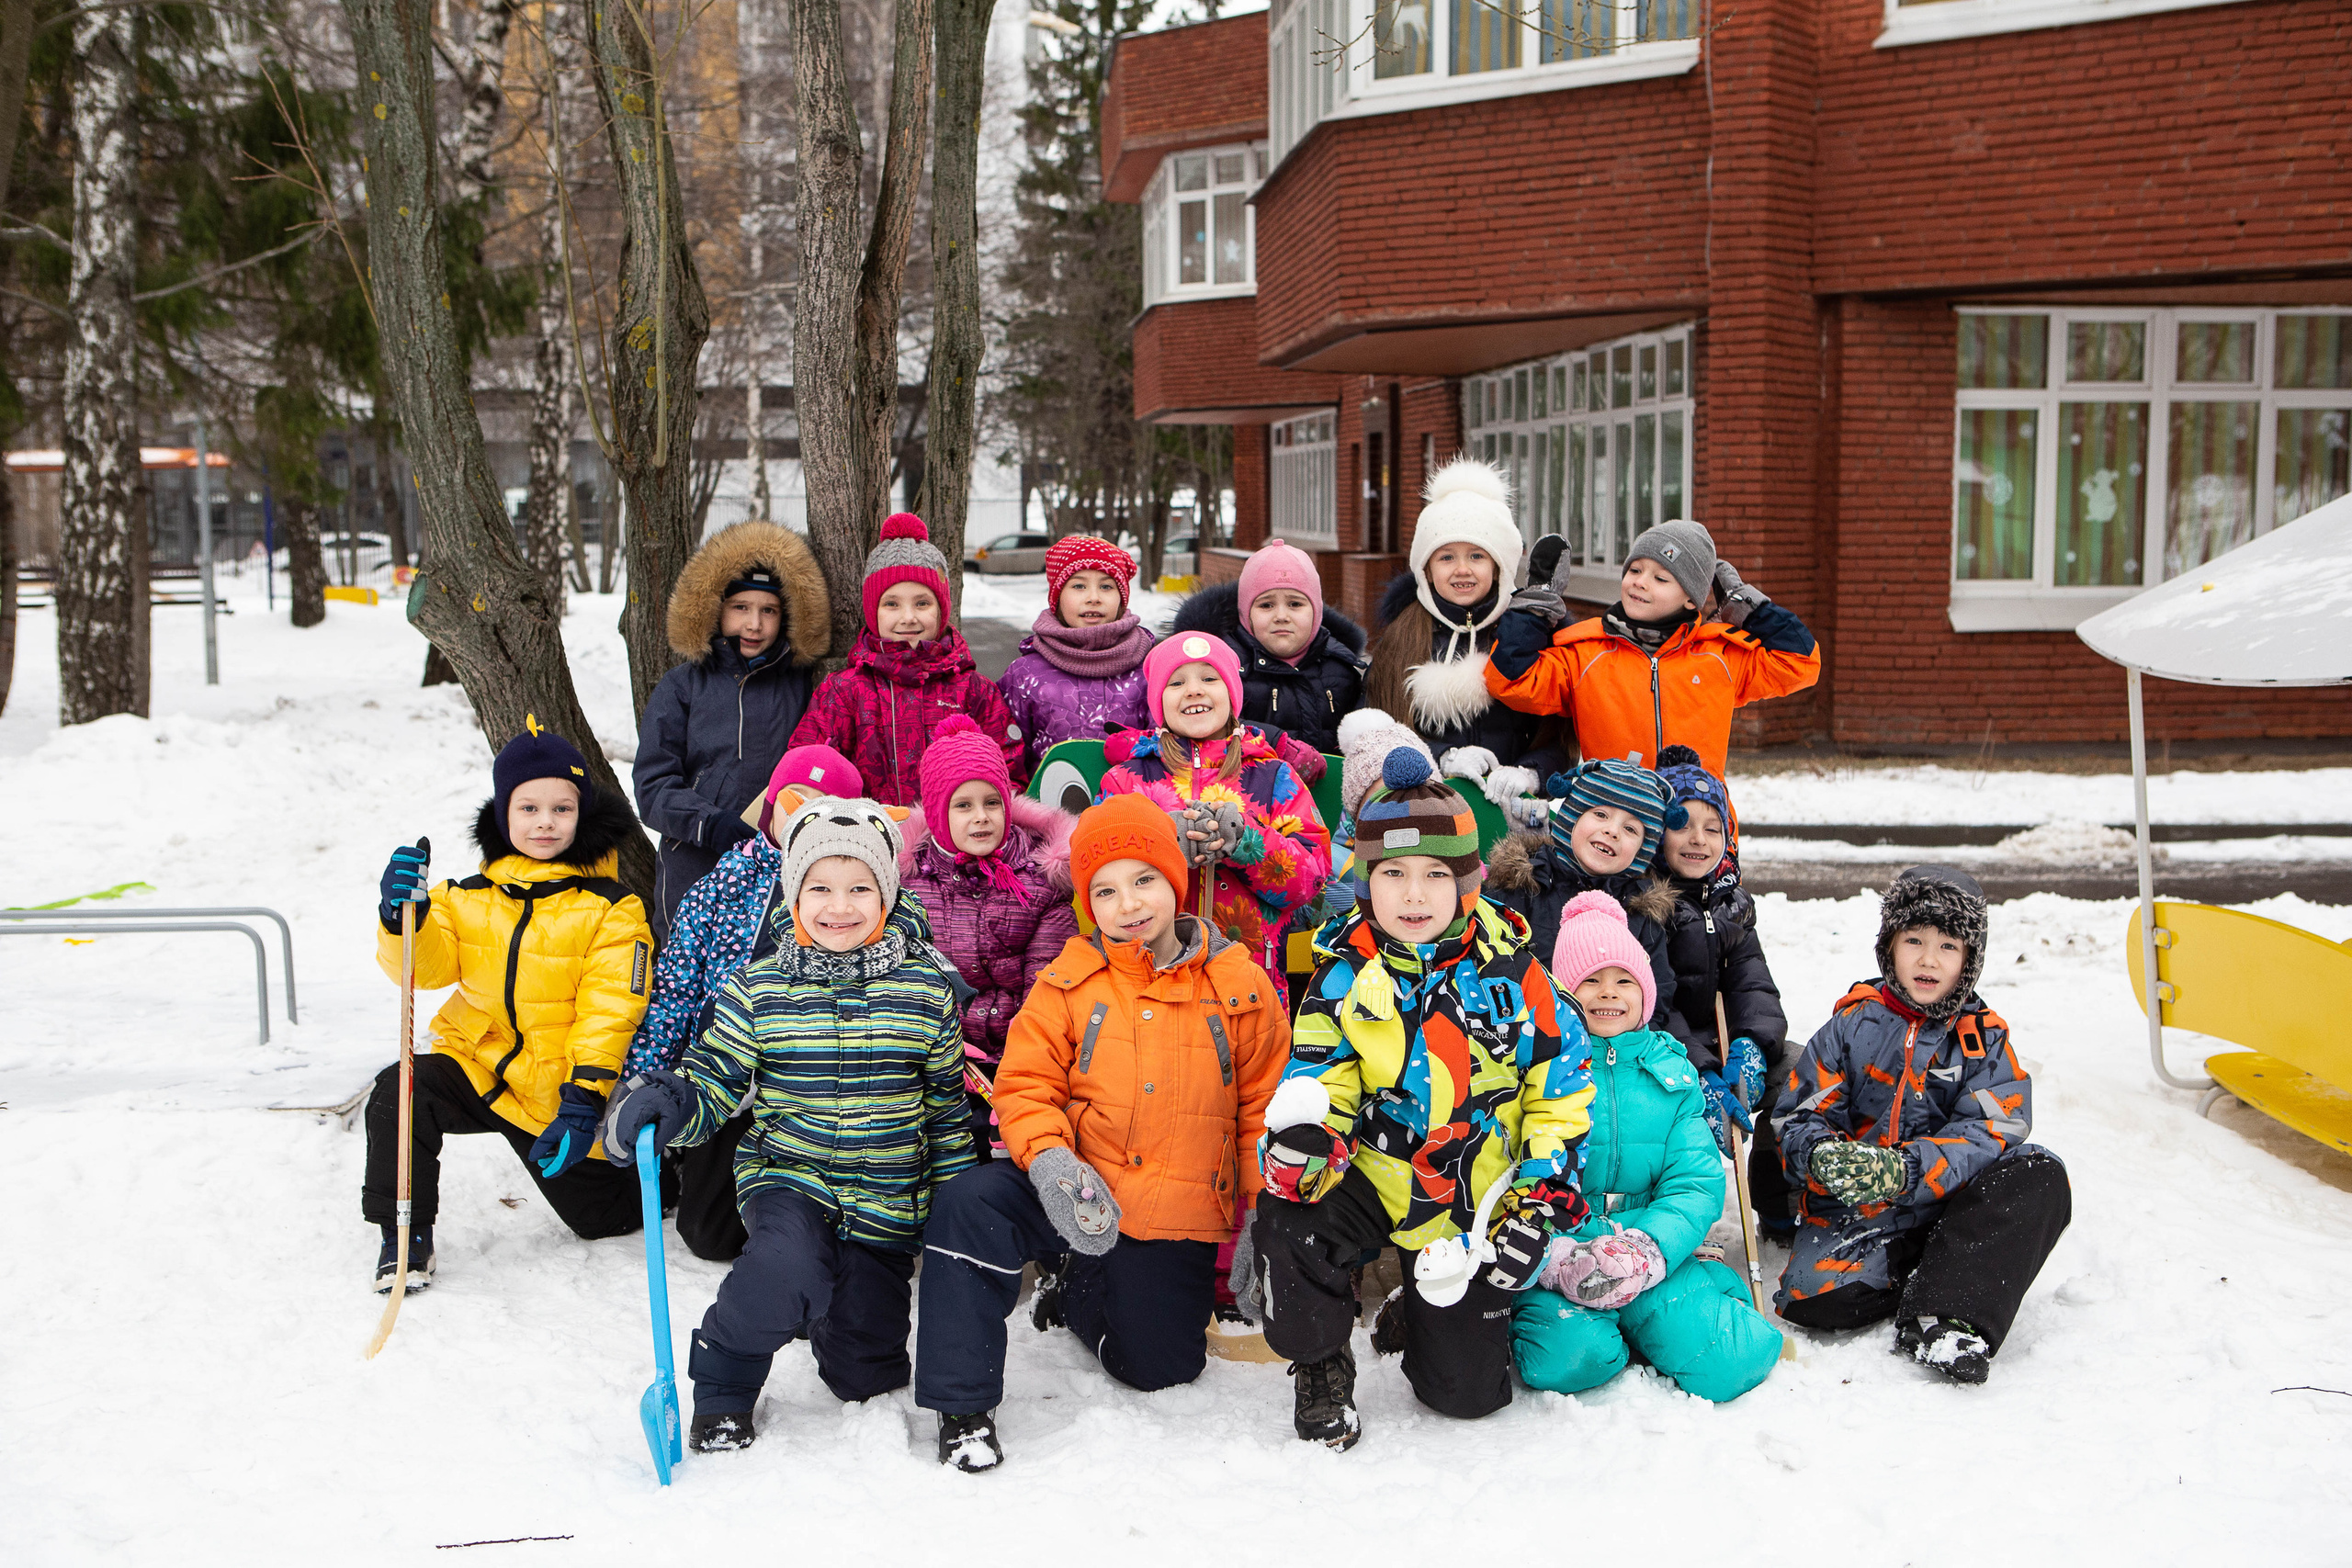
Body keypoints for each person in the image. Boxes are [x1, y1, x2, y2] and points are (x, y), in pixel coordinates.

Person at [914, 794, 1288, 1471]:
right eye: (1106, 890)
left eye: (1144, 879)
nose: (1129, 903)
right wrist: (1053, 1161)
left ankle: (1077, 1284)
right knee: (970, 1203)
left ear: (1174, 879)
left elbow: (1263, 1106)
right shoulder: (1069, 981)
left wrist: (1264, 1208)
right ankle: (962, 1406)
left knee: (1160, 1366)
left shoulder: (1239, 983)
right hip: (1073, 1185)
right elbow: (1025, 1085)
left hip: (1166, 1206)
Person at [603, 799, 978, 1450]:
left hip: (887, 1201)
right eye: (821, 888)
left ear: (887, 894)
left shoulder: (927, 989)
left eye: (860, 887)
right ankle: (724, 1381)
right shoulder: (759, 988)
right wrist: (673, 1103)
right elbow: (715, 1077)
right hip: (790, 1177)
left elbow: (944, 1103)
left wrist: (957, 1201)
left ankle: (829, 1314)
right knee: (784, 1266)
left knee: (864, 1372)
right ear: (794, 894)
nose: (840, 905)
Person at [1249, 751, 1593, 1448]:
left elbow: (1560, 1095)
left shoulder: (1518, 974)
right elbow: (1320, 1073)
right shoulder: (1344, 969)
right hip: (1378, 1170)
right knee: (1288, 1216)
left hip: (1472, 1191)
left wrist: (1537, 1198)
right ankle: (1321, 1362)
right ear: (1368, 879)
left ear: (1467, 880)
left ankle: (1422, 1308)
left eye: (1436, 874)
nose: (1414, 894)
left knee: (1468, 1399)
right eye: (1393, 874)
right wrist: (1307, 1136)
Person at [365, 721, 655, 1292]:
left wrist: (582, 1103)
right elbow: (423, 972)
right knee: (399, 1089)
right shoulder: (463, 896)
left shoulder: (613, 908)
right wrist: (404, 917)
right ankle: (404, 1236)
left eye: (561, 808)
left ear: (583, 814)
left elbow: (610, 1011)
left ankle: (665, 1172)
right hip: (477, 1065)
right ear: (503, 814)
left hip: (558, 1094)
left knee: (609, 1221)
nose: (544, 822)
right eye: (528, 807)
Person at [1775, 865, 2073, 1385]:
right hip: (1866, 1209)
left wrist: (1908, 1170)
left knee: (2039, 1174)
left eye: (1948, 945)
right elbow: (1801, 1112)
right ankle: (1922, 1265)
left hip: (1954, 1202)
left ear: (1970, 959)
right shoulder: (1852, 1024)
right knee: (1816, 1303)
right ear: (1889, 946)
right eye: (1914, 939)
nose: (1928, 959)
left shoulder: (1984, 1039)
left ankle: (1949, 1312)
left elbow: (1993, 1128)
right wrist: (1823, 1155)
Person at [1510, 891, 1781, 1404]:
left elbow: (1695, 1181)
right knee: (1568, 1360)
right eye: (1589, 980)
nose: (1607, 993)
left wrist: (1647, 1248)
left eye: (1623, 980)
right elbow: (1511, 1171)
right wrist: (1561, 1254)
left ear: (1645, 991)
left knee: (1734, 1358)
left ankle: (1693, 1301)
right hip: (1568, 1255)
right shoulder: (1535, 1068)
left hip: (1651, 1253)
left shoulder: (1672, 1074)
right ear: (1561, 992)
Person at [622, 744, 865, 1263]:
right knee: (709, 1233)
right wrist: (645, 1078)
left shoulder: (850, 899)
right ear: (773, 801)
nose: (804, 819)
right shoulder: (719, 889)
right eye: (796, 801)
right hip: (728, 1081)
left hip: (814, 1087)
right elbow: (676, 992)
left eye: (824, 812)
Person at [1098, 631, 1330, 1008]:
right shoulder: (1126, 781)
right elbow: (1099, 875)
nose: (1193, 690)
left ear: (1233, 694)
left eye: (1209, 678)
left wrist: (1246, 843)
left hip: (1252, 979)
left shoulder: (1274, 776)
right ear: (1158, 701)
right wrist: (1160, 845)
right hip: (1148, 984)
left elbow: (1312, 879)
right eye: (1177, 682)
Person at [1485, 517, 1820, 776]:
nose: (1640, 582)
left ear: (1692, 598)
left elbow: (1800, 662)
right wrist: (1536, 604)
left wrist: (1747, 607)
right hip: (1612, 835)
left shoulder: (1719, 657)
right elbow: (1511, 680)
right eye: (1635, 569)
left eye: (1661, 578)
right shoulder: (1585, 654)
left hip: (1697, 836)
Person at [633, 521, 831, 938]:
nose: (754, 625)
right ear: (714, 608)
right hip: (695, 858)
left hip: (785, 861)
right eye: (740, 607)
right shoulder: (683, 685)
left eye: (769, 611)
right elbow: (653, 786)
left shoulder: (803, 684)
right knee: (688, 976)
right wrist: (708, 822)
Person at [897, 715, 1080, 1150]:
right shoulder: (910, 886)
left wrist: (1017, 1066)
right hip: (935, 1055)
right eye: (963, 806)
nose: (980, 818)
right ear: (939, 814)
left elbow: (1048, 986)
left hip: (1017, 1056)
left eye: (991, 803)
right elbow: (904, 983)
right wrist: (942, 1046)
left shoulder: (1039, 882)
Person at [1362, 457, 1563, 811]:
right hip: (1426, 813)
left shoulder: (1532, 633)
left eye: (1476, 556)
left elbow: (1564, 733)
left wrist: (1531, 774)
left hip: (1516, 814)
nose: (1463, 570)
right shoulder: (1401, 638)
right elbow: (1376, 732)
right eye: (1446, 557)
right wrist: (1444, 758)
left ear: (1499, 565)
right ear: (1426, 567)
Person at [1650, 743, 1792, 1230]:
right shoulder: (1646, 904)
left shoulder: (1731, 905)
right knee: (1677, 1108)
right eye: (1682, 824)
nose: (1698, 839)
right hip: (1665, 1048)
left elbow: (1754, 984)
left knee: (1795, 1072)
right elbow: (1655, 1004)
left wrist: (1751, 1045)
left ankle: (1780, 1205)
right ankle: (1684, 1220)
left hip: (1724, 1040)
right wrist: (1702, 1071)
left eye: (1713, 828)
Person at [790, 513, 1022, 807]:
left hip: (953, 848)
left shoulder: (975, 692)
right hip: (868, 844)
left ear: (942, 609)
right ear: (873, 610)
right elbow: (805, 773)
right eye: (892, 604)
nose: (908, 617)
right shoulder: (843, 692)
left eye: (922, 603)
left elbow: (1009, 774)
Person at [1485, 758, 1681, 1030]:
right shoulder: (1522, 888)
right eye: (1600, 814)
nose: (1612, 831)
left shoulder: (1640, 913)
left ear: (1642, 850)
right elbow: (1491, 967)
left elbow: (1657, 996)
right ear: (1571, 818)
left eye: (1630, 829)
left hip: (1612, 1054)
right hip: (1529, 1043)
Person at [1169, 538, 1368, 756]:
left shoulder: (1342, 669)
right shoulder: (1224, 669)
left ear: (1316, 611)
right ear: (1246, 612)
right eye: (1266, 605)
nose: (1281, 616)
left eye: (1295, 604)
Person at [996, 535, 1156, 773]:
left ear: (1122, 598)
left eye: (1106, 586)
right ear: (1057, 597)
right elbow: (1008, 758)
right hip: (1048, 808)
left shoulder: (1149, 668)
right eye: (1078, 585)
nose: (1093, 598)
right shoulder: (1024, 674)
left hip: (1133, 808)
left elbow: (1168, 750)